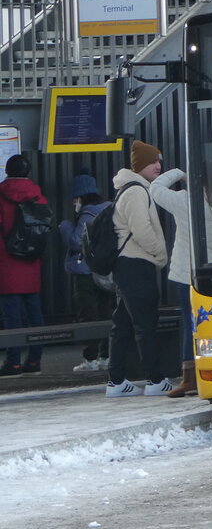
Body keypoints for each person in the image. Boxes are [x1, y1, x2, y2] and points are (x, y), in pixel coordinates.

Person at [106, 140, 172, 397]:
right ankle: (155, 379)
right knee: (145, 323)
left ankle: (116, 380)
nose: (158, 165)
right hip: (136, 264)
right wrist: (160, 252)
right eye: (152, 161)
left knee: (122, 323)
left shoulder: (131, 188)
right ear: (139, 165)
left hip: (127, 265)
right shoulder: (135, 191)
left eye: (158, 161)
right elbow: (142, 230)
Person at [58, 168, 114, 373]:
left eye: (75, 199)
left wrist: (64, 226)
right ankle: (106, 356)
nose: (74, 203)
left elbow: (75, 241)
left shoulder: (87, 214)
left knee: (88, 315)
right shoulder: (108, 209)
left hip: (85, 272)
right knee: (106, 312)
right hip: (105, 270)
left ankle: (90, 358)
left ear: (80, 196)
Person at [150, 166, 198, 398]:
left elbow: (155, 188)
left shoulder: (185, 201)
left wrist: (179, 172)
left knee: (190, 324)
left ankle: (189, 377)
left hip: (186, 274)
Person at [0, 154, 49, 377]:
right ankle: (34, 360)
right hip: (31, 261)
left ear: (7, 171)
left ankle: (13, 362)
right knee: (34, 312)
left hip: (7, 261)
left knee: (12, 316)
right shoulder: (38, 196)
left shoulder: (1, 194)